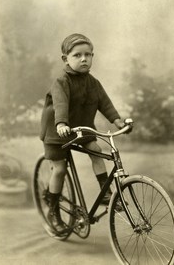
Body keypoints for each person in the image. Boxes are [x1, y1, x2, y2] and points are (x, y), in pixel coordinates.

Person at [40, 33, 124, 232]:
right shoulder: (62, 81)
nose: (84, 59)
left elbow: (105, 102)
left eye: (88, 55)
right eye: (77, 55)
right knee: (59, 169)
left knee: (95, 150)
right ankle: (53, 209)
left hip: (80, 127)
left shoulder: (92, 82)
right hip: (56, 130)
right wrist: (61, 123)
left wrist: (117, 120)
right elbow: (60, 103)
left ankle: (105, 193)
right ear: (65, 59)